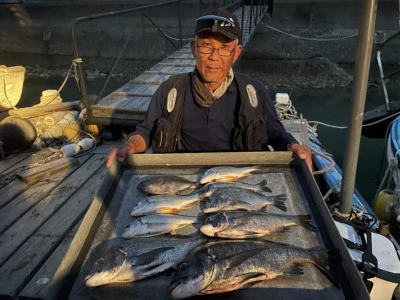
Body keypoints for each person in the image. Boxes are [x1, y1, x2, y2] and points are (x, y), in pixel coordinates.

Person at [106, 8, 312, 171]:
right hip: (182, 174)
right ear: (193, 48)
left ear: (236, 53)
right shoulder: (170, 89)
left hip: (238, 175)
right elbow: (146, 132)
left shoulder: (254, 91)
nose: (214, 56)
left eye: (224, 48)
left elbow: (275, 132)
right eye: (206, 45)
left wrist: (292, 145)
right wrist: (130, 147)